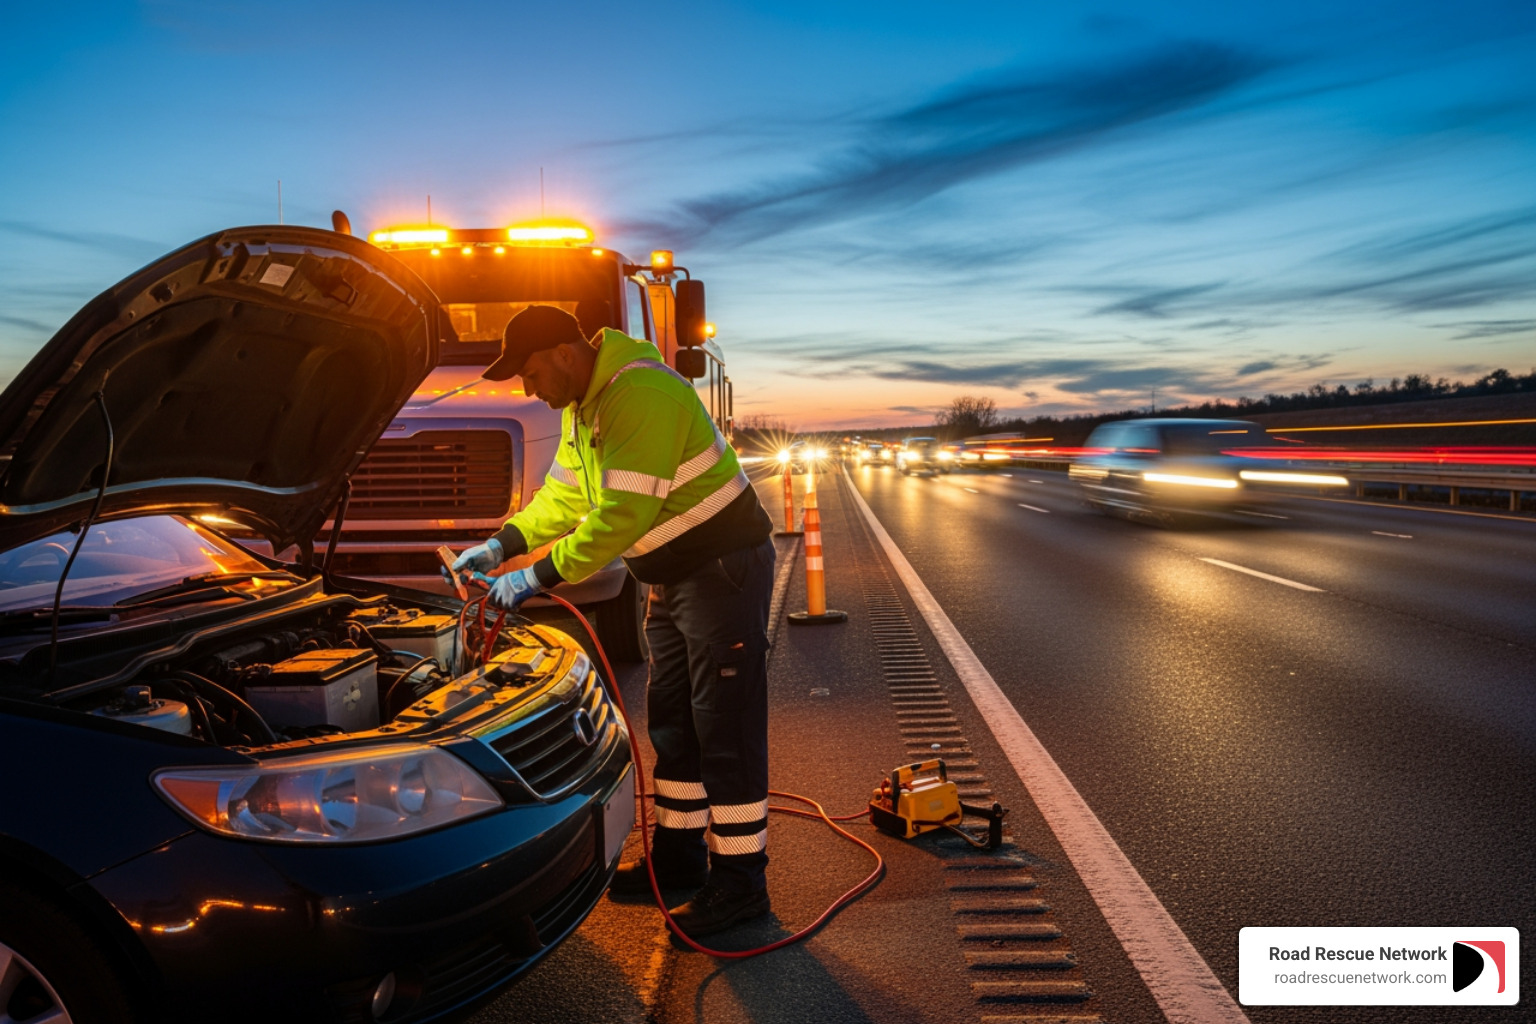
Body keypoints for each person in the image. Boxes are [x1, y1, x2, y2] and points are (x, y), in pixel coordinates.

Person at [450, 305, 776, 938]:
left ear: (567, 354)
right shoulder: (587, 408)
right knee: (676, 722)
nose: (528, 390)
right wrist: (503, 543)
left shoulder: (641, 392)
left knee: (725, 729)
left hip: (719, 574)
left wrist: (534, 577)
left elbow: (621, 515)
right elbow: (565, 497)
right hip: (672, 578)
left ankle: (740, 885)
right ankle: (681, 860)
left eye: (532, 372)